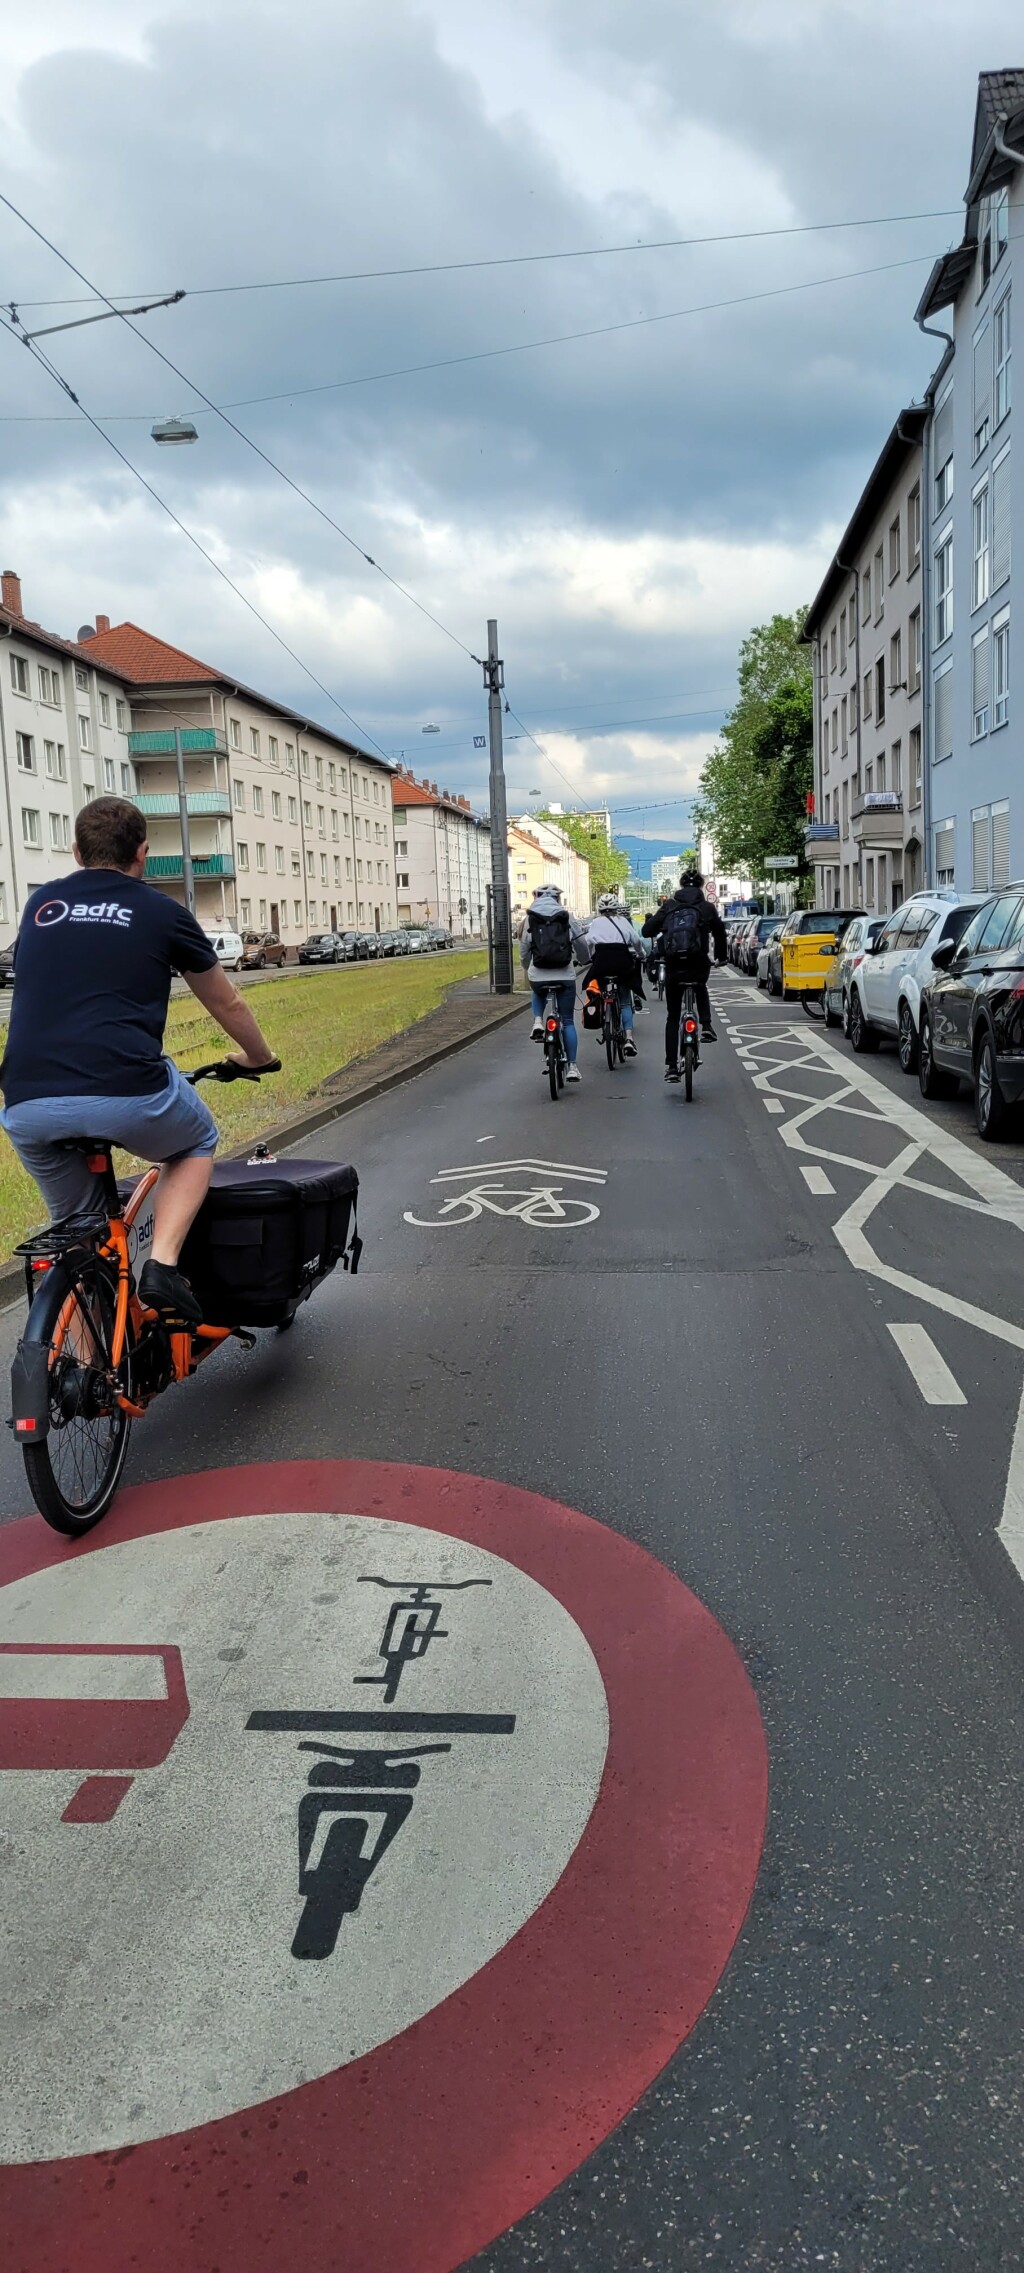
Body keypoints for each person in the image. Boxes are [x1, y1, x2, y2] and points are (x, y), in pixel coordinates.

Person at [0, 796, 279, 1326]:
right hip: (126, 1091)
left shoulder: (40, 908)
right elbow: (226, 1001)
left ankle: (78, 1367)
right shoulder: (161, 912)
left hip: (27, 1102)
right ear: (144, 853)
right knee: (195, 1141)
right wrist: (258, 1058)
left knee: (80, 1238)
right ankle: (165, 1267)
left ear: (76, 851)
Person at [643, 868, 727, 1080]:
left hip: (673, 965)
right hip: (698, 961)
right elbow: (719, 932)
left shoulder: (670, 906)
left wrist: (658, 925)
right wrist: (721, 957)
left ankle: (671, 1066)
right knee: (700, 984)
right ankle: (706, 1025)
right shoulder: (706, 907)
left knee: (672, 1016)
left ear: (681, 886)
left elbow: (646, 931)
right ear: (700, 886)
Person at [520, 883, 589, 1083]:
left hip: (538, 974)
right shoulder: (566, 917)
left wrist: (528, 967)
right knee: (567, 1020)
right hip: (564, 975)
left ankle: (538, 1022)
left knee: (538, 989)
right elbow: (580, 943)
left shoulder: (529, 919)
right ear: (558, 899)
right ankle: (573, 1067)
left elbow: (524, 949)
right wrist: (584, 960)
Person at [584, 893, 645, 1056]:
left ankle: (604, 1009)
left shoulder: (595, 923)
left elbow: (589, 942)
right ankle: (629, 1039)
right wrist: (640, 954)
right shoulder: (623, 921)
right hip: (622, 963)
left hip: (602, 963)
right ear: (616, 908)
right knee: (625, 1001)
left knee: (599, 988)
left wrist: (592, 958)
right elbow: (636, 941)